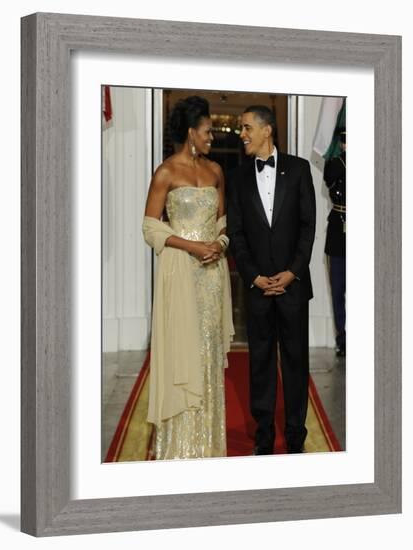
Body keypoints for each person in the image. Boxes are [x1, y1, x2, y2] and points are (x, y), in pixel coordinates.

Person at [142, 96, 234, 460]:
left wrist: (220, 244)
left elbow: (224, 222)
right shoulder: (166, 172)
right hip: (180, 272)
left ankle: (207, 444)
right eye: (208, 131)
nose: (213, 137)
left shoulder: (215, 172)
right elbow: (150, 228)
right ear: (191, 132)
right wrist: (192, 247)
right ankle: (179, 447)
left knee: (207, 350)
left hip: (212, 276)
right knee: (182, 348)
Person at [227, 105, 316, 455]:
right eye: (241, 128)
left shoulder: (299, 169)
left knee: (295, 363)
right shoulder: (236, 177)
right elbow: (236, 234)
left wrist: (292, 272)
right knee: (260, 364)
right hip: (258, 289)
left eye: (247, 127)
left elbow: (308, 226)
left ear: (267, 130)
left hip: (293, 287)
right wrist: (254, 277)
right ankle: (263, 437)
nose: (243, 134)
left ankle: (296, 438)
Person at [324, 128, 346, 357]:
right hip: (339, 229)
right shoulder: (335, 164)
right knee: (338, 288)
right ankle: (343, 337)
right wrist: (346, 155)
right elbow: (330, 176)